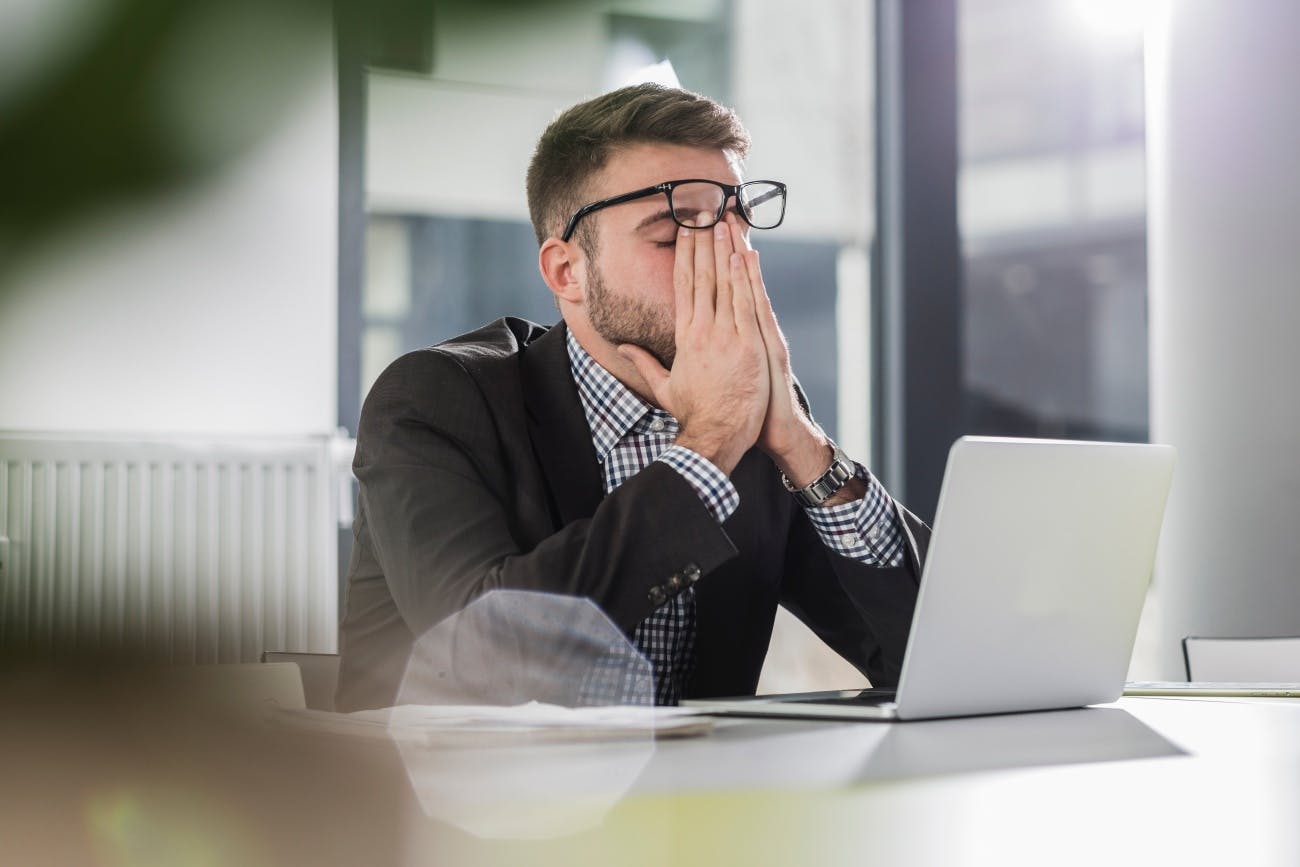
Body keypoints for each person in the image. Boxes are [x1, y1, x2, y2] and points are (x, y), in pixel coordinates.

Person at [335, 83, 930, 711]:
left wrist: (806, 452)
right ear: (567, 271)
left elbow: (927, 653)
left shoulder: (751, 411)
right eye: (675, 236)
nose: (724, 261)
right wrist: (705, 451)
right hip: (438, 802)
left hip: (688, 802)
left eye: (736, 227)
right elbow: (488, 660)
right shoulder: (433, 400)